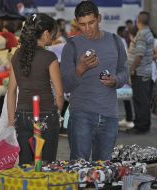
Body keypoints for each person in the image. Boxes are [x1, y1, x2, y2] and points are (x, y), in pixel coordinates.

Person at [60, 1, 127, 161]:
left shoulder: (115, 41)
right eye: (82, 24)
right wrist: (80, 69)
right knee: (79, 166)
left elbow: (124, 72)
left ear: (99, 18)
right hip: (81, 115)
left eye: (91, 22)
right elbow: (66, 85)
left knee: (104, 169)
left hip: (109, 115)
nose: (88, 28)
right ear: (77, 23)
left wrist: (115, 80)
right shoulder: (71, 46)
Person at [7, 13, 64, 165]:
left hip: (22, 116)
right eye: (52, 34)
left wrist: (11, 121)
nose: (52, 38)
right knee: (45, 165)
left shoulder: (17, 55)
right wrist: (57, 114)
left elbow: (11, 91)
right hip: (45, 116)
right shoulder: (49, 57)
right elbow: (59, 94)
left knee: (25, 165)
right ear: (45, 33)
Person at [125, 11, 154, 134]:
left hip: (140, 72)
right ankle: (144, 124)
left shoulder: (142, 35)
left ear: (138, 21)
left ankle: (141, 126)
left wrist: (131, 69)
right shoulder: (148, 33)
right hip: (145, 72)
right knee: (143, 100)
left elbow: (139, 55)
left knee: (140, 100)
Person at [117, 26, 134, 129]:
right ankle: (129, 118)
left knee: (125, 95)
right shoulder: (121, 40)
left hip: (120, 71)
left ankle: (129, 118)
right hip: (121, 70)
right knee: (125, 96)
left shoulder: (120, 40)